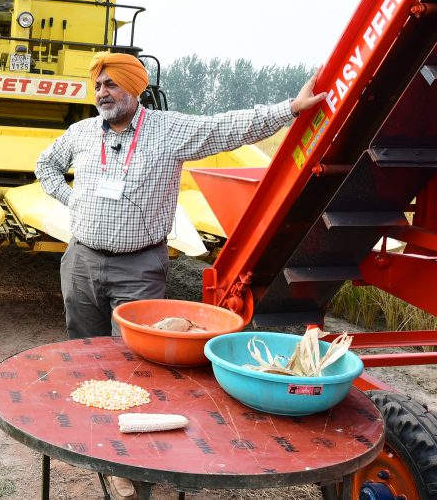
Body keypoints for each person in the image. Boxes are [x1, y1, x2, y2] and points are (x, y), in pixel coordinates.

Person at [35, 52, 324, 500]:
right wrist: (73, 200)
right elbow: (45, 166)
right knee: (86, 357)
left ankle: (134, 463)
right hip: (81, 263)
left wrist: (288, 109)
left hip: (139, 267)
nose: (102, 93)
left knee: (134, 364)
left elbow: (228, 126)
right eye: (98, 85)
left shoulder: (168, 131)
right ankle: (95, 444)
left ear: (135, 87)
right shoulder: (80, 132)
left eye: (111, 84)